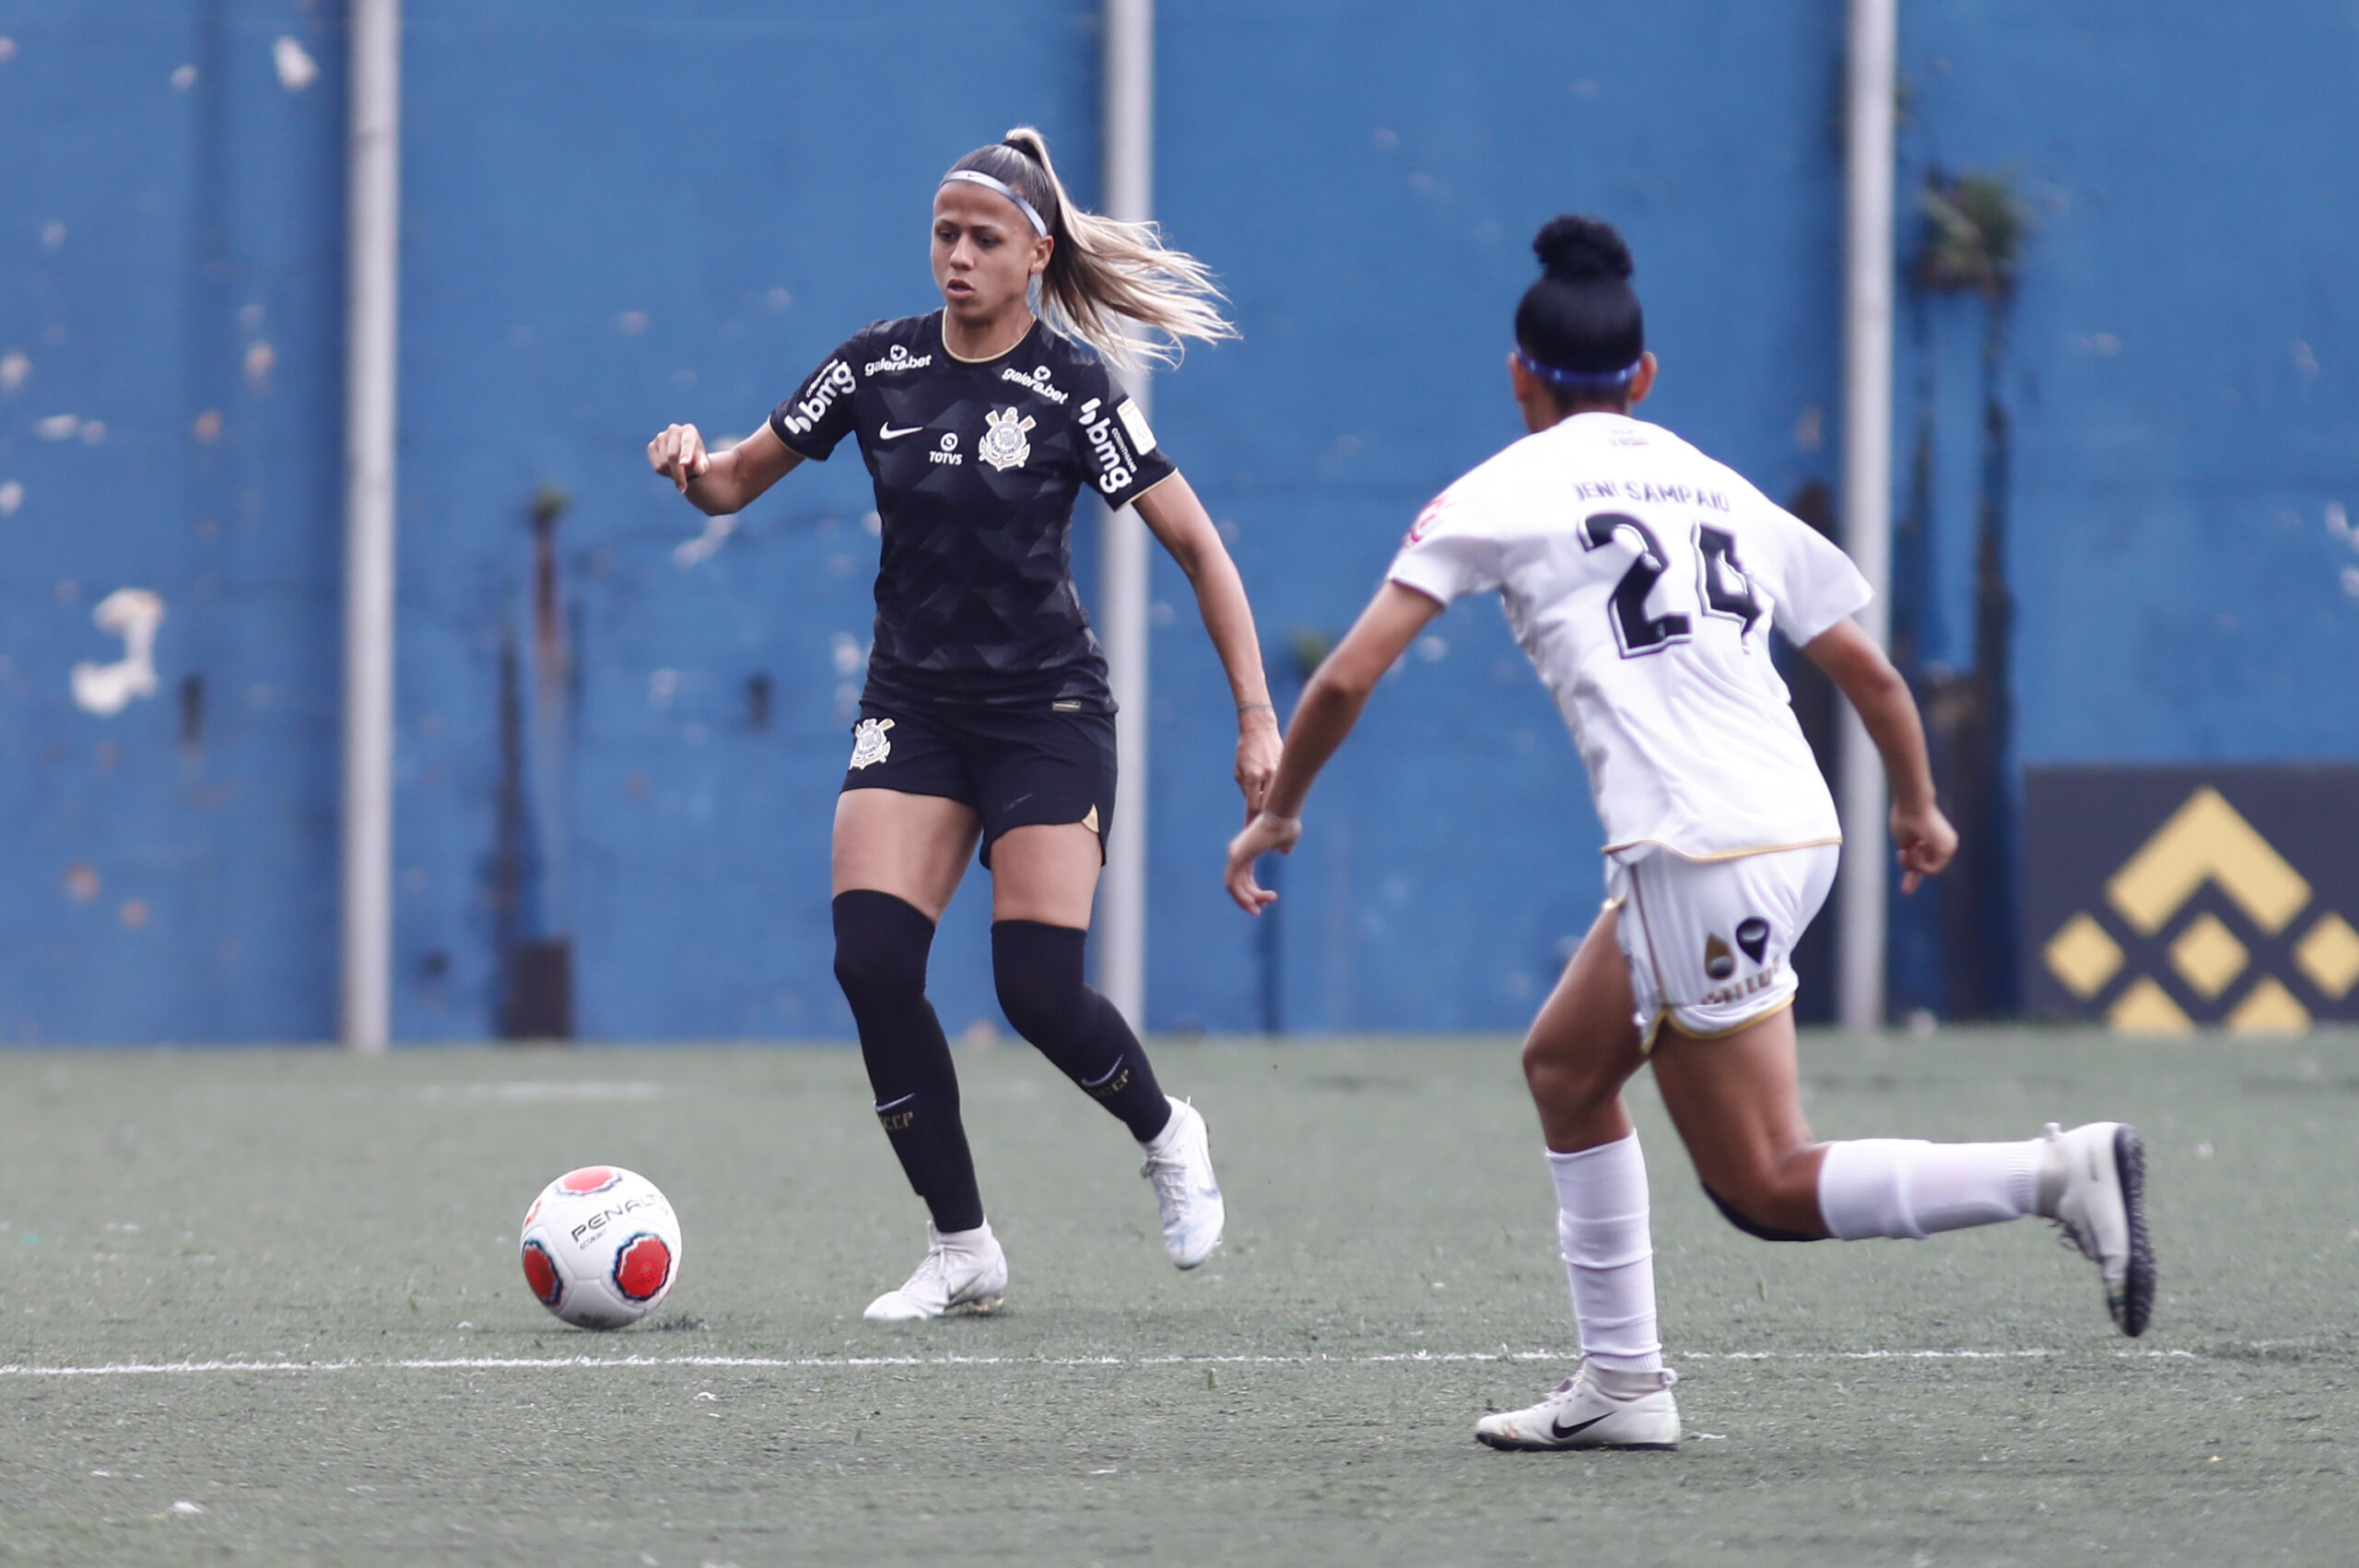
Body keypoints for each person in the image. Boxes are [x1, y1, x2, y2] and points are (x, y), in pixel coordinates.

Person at [1224, 215, 2154, 1449]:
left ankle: (2055, 1172)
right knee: (1566, 1067)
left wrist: (1280, 806)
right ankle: (1624, 1386)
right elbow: (1873, 676)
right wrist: (1919, 806)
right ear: (1645, 378)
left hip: (1698, 850)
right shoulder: (1718, 484)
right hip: (1792, 832)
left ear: (1520, 375)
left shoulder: (1505, 488)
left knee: (1765, 1181)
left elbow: (1342, 679)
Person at [651, 127, 1277, 1322]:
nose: (957, 255)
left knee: (1036, 989)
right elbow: (737, 480)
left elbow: (1198, 546)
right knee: (872, 962)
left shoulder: (1074, 388)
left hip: (1045, 712)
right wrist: (693, 463)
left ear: (1035, 255)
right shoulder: (873, 369)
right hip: (917, 708)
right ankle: (962, 1247)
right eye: (944, 232)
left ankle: (1167, 1127)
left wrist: (1256, 715)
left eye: (984, 238)